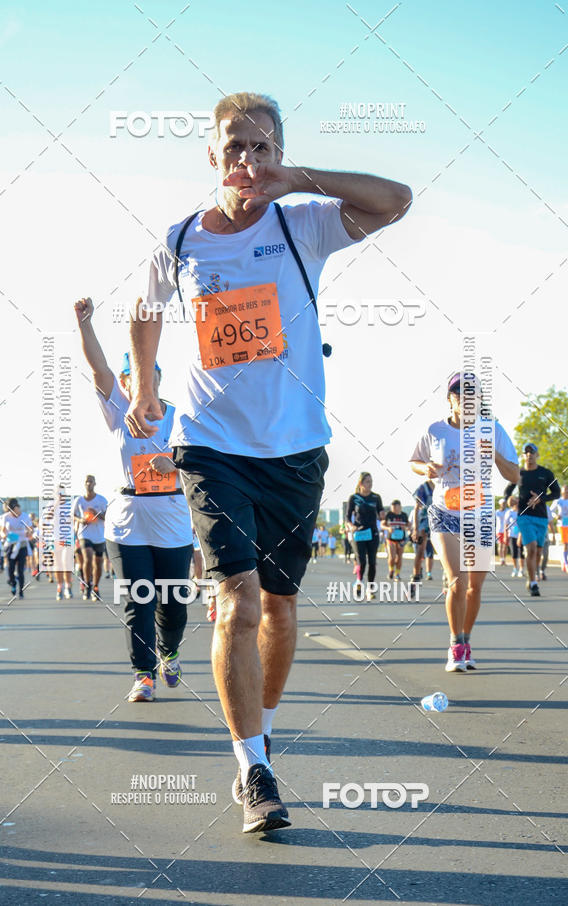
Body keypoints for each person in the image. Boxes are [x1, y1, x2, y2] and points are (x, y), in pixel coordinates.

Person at [124, 90, 411, 832]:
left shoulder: (303, 223)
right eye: (234, 147)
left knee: (280, 609)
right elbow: (145, 310)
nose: (247, 161)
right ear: (210, 155)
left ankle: (264, 731)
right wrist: (147, 382)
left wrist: (305, 178)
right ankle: (252, 766)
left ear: (278, 152)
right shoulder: (182, 238)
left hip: (295, 449)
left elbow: (397, 200)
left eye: (261, 147)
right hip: (210, 444)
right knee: (238, 601)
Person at [75, 298, 193, 703]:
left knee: (174, 603)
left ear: (156, 378)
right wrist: (85, 324)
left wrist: (174, 463)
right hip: (127, 521)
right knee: (137, 598)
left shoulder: (181, 417)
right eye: (128, 378)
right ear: (126, 382)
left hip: (172, 519)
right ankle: (144, 675)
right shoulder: (119, 412)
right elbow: (98, 368)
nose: (134, 383)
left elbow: (204, 462)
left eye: (144, 376)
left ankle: (170, 651)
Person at [410, 372, 519, 672]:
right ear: (450, 400)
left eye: (473, 394)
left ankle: (467, 638)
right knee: (456, 579)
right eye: (460, 394)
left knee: (474, 586)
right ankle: (455, 645)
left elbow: (515, 475)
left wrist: (494, 454)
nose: (466, 399)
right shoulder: (435, 430)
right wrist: (427, 469)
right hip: (445, 513)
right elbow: (415, 461)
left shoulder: (493, 429)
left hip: (481, 515)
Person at [504, 443, 560, 596]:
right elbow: (507, 492)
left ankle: (531, 577)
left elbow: (557, 493)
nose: (529, 455)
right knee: (532, 548)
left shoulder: (546, 473)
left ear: (537, 455)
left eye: (532, 452)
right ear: (523, 455)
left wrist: (541, 498)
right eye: (526, 452)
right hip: (524, 516)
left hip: (541, 518)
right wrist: (509, 499)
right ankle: (534, 583)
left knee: (539, 552)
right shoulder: (518, 473)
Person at [346, 473, 385, 600]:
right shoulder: (354, 498)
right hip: (359, 533)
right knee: (362, 561)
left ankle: (371, 589)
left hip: (372, 532)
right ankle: (359, 582)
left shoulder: (376, 497)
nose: (370, 484)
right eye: (367, 481)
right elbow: (347, 517)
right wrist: (351, 525)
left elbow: (381, 513)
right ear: (361, 483)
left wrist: (383, 516)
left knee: (372, 562)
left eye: (371, 481)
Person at [73, 476, 108, 600]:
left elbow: (108, 517)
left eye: (91, 481)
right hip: (84, 533)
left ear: (95, 483)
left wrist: (96, 513)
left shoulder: (101, 500)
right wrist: (81, 520)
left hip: (99, 535)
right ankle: (87, 584)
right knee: (87, 558)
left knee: (98, 562)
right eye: (86, 481)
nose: (88, 483)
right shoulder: (79, 500)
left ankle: (96, 586)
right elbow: (73, 515)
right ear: (84, 484)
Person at [0, 498, 33, 599]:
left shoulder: (25, 516)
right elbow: (1, 531)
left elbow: (30, 529)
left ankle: (21, 591)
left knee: (20, 570)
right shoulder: (5, 517)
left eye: (14, 509)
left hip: (22, 545)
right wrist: (3, 535)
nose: (13, 512)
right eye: (10, 510)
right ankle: (13, 583)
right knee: (10, 568)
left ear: (18, 507)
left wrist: (29, 533)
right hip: (10, 545)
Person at [411, 479, 435, 586]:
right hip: (424, 522)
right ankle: (416, 576)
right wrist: (415, 529)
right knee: (421, 550)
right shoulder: (423, 488)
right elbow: (417, 508)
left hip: (439, 521)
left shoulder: (443, 485)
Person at [383, 500, 409, 580]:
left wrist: (406, 528)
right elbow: (382, 525)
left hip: (401, 539)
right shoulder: (389, 515)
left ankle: (397, 574)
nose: (393, 509)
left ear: (399, 507)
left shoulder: (404, 515)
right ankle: (391, 570)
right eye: (392, 507)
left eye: (395, 507)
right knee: (392, 557)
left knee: (399, 557)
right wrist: (388, 528)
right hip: (391, 539)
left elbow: (409, 525)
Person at [505, 497, 524, 578]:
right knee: (514, 553)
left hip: (522, 535)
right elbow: (506, 525)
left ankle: (521, 569)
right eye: (515, 501)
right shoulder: (509, 512)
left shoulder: (522, 511)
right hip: (512, 535)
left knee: (522, 553)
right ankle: (515, 568)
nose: (517, 503)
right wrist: (506, 536)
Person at [551, 486, 568, 574]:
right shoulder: (558, 501)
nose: (566, 491)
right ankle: (566, 563)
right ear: (561, 491)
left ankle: (564, 561)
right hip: (562, 525)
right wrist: (556, 516)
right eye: (565, 489)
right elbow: (551, 511)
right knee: (565, 543)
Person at [495, 498, 509, 565]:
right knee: (500, 545)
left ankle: (504, 559)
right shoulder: (497, 512)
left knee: (505, 546)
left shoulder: (508, 511)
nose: (504, 505)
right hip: (499, 531)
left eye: (505, 503)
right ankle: (501, 559)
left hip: (506, 531)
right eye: (503, 503)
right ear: (500, 504)